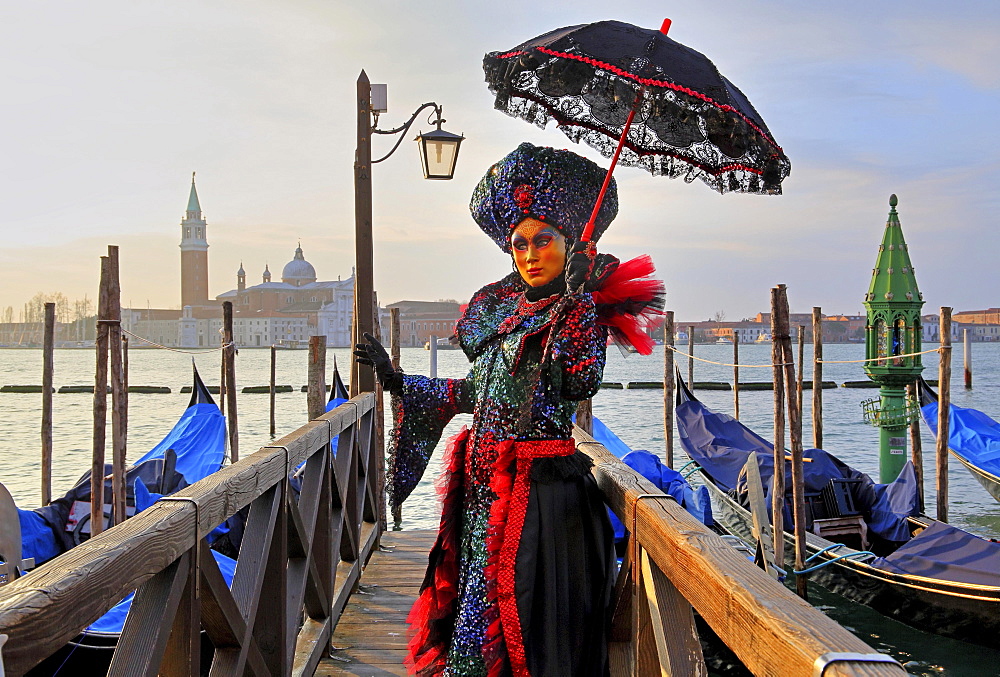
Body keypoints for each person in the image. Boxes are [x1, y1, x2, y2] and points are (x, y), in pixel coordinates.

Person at [355, 142, 663, 677]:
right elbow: (474, 393)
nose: (528, 253)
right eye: (518, 243)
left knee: (525, 634)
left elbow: (579, 380)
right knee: (471, 630)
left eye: (544, 240)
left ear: (572, 245)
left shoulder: (579, 313)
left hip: (540, 503)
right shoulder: (507, 318)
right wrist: (396, 379)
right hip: (483, 499)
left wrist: (575, 309)